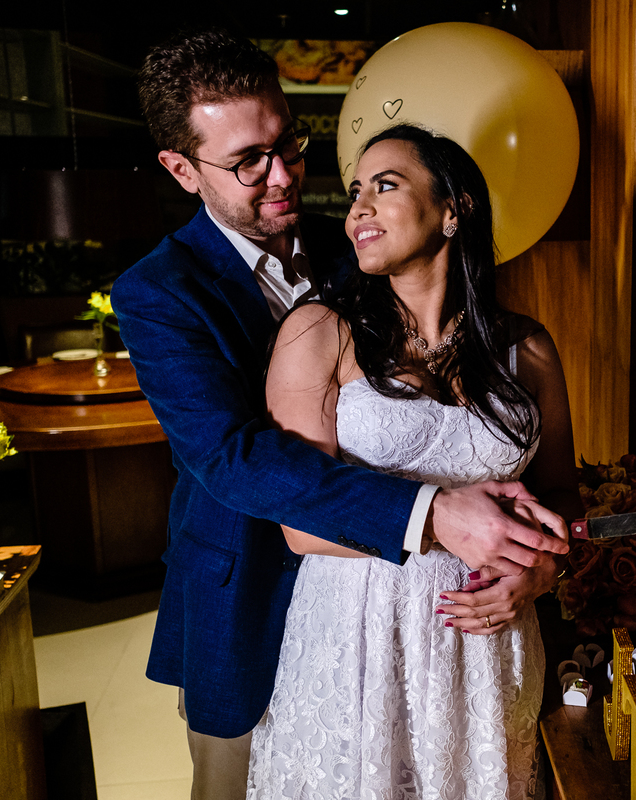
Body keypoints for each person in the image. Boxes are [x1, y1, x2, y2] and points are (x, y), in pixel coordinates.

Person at [112, 29, 569, 800]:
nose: (284, 174)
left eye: (289, 142)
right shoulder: (158, 293)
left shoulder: (358, 241)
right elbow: (233, 458)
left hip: (443, 635)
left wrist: (538, 561)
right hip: (252, 597)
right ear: (182, 169)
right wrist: (432, 515)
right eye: (248, 162)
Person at [245, 124, 583, 799]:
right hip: (360, 635)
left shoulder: (529, 348)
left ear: (455, 208)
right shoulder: (318, 333)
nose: (357, 210)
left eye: (385, 186)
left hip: (488, 646)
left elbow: (562, 504)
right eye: (354, 193)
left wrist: (539, 575)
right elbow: (299, 520)